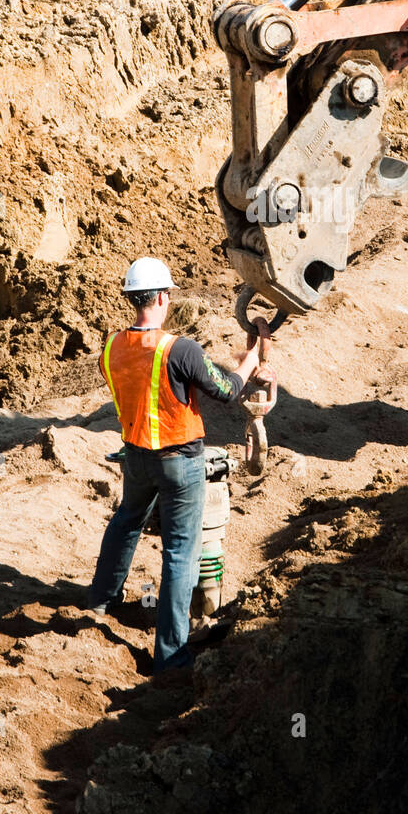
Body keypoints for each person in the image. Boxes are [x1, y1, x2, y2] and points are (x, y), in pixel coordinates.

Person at [89, 256, 268, 676]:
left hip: (135, 456)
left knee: (126, 522)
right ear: (164, 297)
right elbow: (226, 390)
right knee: (180, 553)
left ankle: (101, 600)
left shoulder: (112, 348)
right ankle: (170, 656)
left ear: (134, 299)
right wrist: (250, 361)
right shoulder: (179, 349)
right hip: (179, 461)